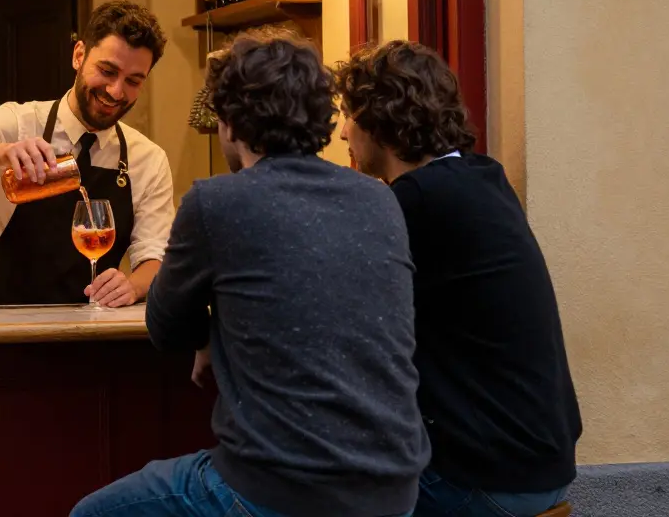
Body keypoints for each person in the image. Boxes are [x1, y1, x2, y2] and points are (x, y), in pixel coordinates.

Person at [72, 33, 429, 517]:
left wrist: (206, 334)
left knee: (91, 514)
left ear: (231, 122)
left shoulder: (217, 201)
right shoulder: (379, 198)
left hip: (278, 489)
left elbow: (164, 325)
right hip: (395, 492)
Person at [333, 40, 581, 517]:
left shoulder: (417, 203)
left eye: (348, 114)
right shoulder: (481, 178)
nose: (343, 132)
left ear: (378, 120)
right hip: (540, 467)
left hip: (486, 480)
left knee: (306, 490)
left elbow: (333, 308)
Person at [0, 0, 175, 307]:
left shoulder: (147, 159)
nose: (115, 91)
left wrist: (133, 286)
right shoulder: (18, 123)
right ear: (79, 55)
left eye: (133, 81)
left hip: (92, 333)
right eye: (107, 71)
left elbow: (157, 256)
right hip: (1, 330)